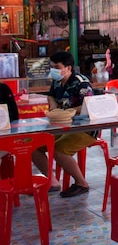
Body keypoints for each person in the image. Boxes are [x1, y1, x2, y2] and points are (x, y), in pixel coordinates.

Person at [31, 51, 95, 197]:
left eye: (57, 67)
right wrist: (53, 105)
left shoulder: (81, 83)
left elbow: (89, 105)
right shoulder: (57, 81)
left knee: (59, 150)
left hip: (85, 128)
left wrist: (69, 111)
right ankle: (52, 182)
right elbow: (51, 96)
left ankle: (81, 183)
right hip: (62, 126)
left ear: (68, 68)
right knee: (34, 146)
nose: (53, 70)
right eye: (52, 67)